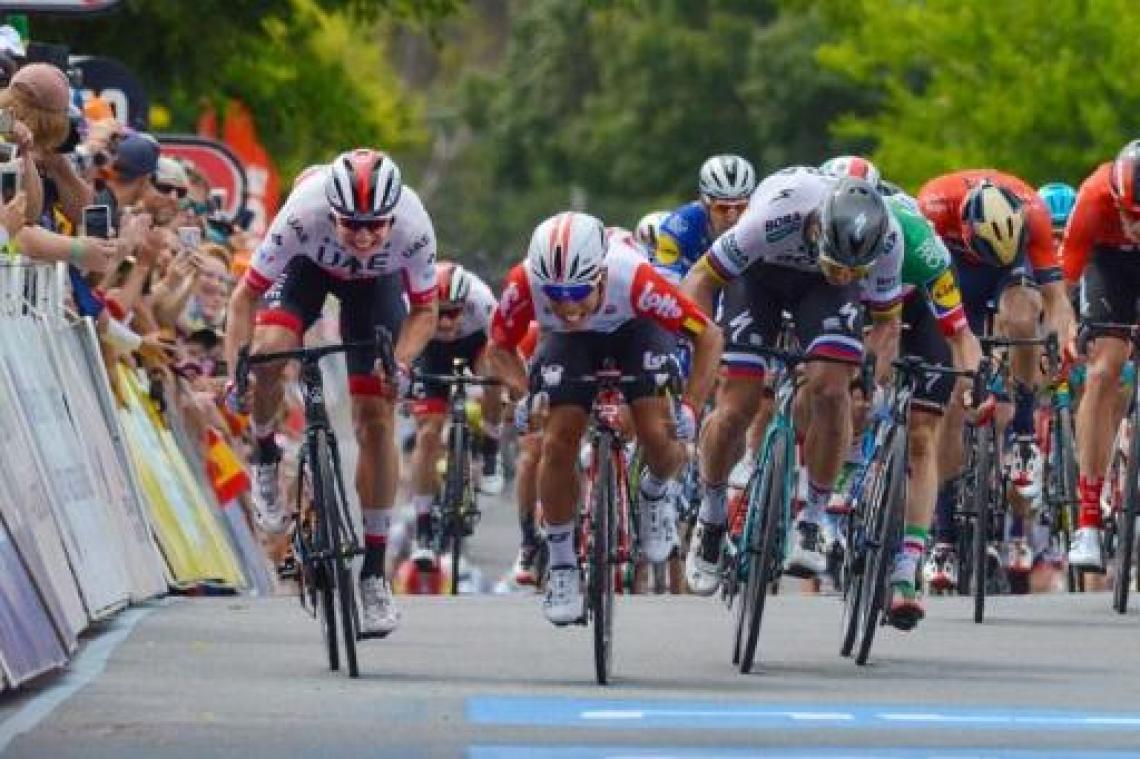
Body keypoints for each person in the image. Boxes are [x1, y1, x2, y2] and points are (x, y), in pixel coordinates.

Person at [224, 148, 438, 637]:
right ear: (331, 212)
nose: (363, 236)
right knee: (272, 350)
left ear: (392, 216)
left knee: (377, 417)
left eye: (374, 226)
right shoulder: (303, 212)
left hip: (375, 290)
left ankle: (373, 576)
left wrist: (399, 363)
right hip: (306, 273)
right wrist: (237, 369)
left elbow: (425, 312)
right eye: (350, 225)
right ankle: (262, 454)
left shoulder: (413, 223)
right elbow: (244, 297)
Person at [486, 211, 722, 624]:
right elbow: (499, 347)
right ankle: (561, 564)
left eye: (578, 290)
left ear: (599, 274)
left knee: (654, 431)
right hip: (569, 344)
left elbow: (708, 335)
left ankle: (654, 489)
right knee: (557, 439)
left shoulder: (634, 279)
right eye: (554, 293)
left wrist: (691, 406)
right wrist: (526, 394)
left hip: (636, 328)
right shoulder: (524, 283)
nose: (567, 304)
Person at [682, 170, 903, 595]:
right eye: (839, 264)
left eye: (852, 269)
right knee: (737, 406)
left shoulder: (888, 237)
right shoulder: (772, 216)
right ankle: (710, 516)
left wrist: (867, 379)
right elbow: (700, 279)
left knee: (833, 391)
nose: (844, 274)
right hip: (759, 278)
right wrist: (703, 345)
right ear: (819, 227)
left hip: (819, 295)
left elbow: (887, 326)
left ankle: (814, 518)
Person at [918, 170, 1076, 583]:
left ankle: (1023, 435)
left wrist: (1065, 339)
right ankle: (945, 537)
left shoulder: (1034, 214)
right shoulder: (933, 205)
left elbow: (1056, 300)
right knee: (955, 394)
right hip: (954, 273)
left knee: (1024, 316)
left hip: (1008, 268)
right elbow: (916, 281)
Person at [1059, 140, 1140, 570]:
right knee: (1104, 369)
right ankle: (1088, 521)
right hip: (1107, 267)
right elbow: (1064, 278)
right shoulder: (1093, 197)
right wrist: (1069, 326)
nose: (1134, 226)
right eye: (1127, 214)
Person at [406, 260, 503, 568]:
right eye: (440, 312)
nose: (446, 322)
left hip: (474, 344)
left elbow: (504, 347)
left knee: (492, 373)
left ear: (465, 304)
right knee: (428, 435)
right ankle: (422, 529)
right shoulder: (410, 302)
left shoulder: (483, 301)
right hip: (429, 351)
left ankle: (490, 447)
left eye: (453, 312)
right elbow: (402, 351)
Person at [651, 155, 757, 281]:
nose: (732, 217)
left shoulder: (761, 219)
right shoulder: (680, 226)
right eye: (723, 208)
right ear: (705, 204)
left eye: (740, 207)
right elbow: (664, 282)